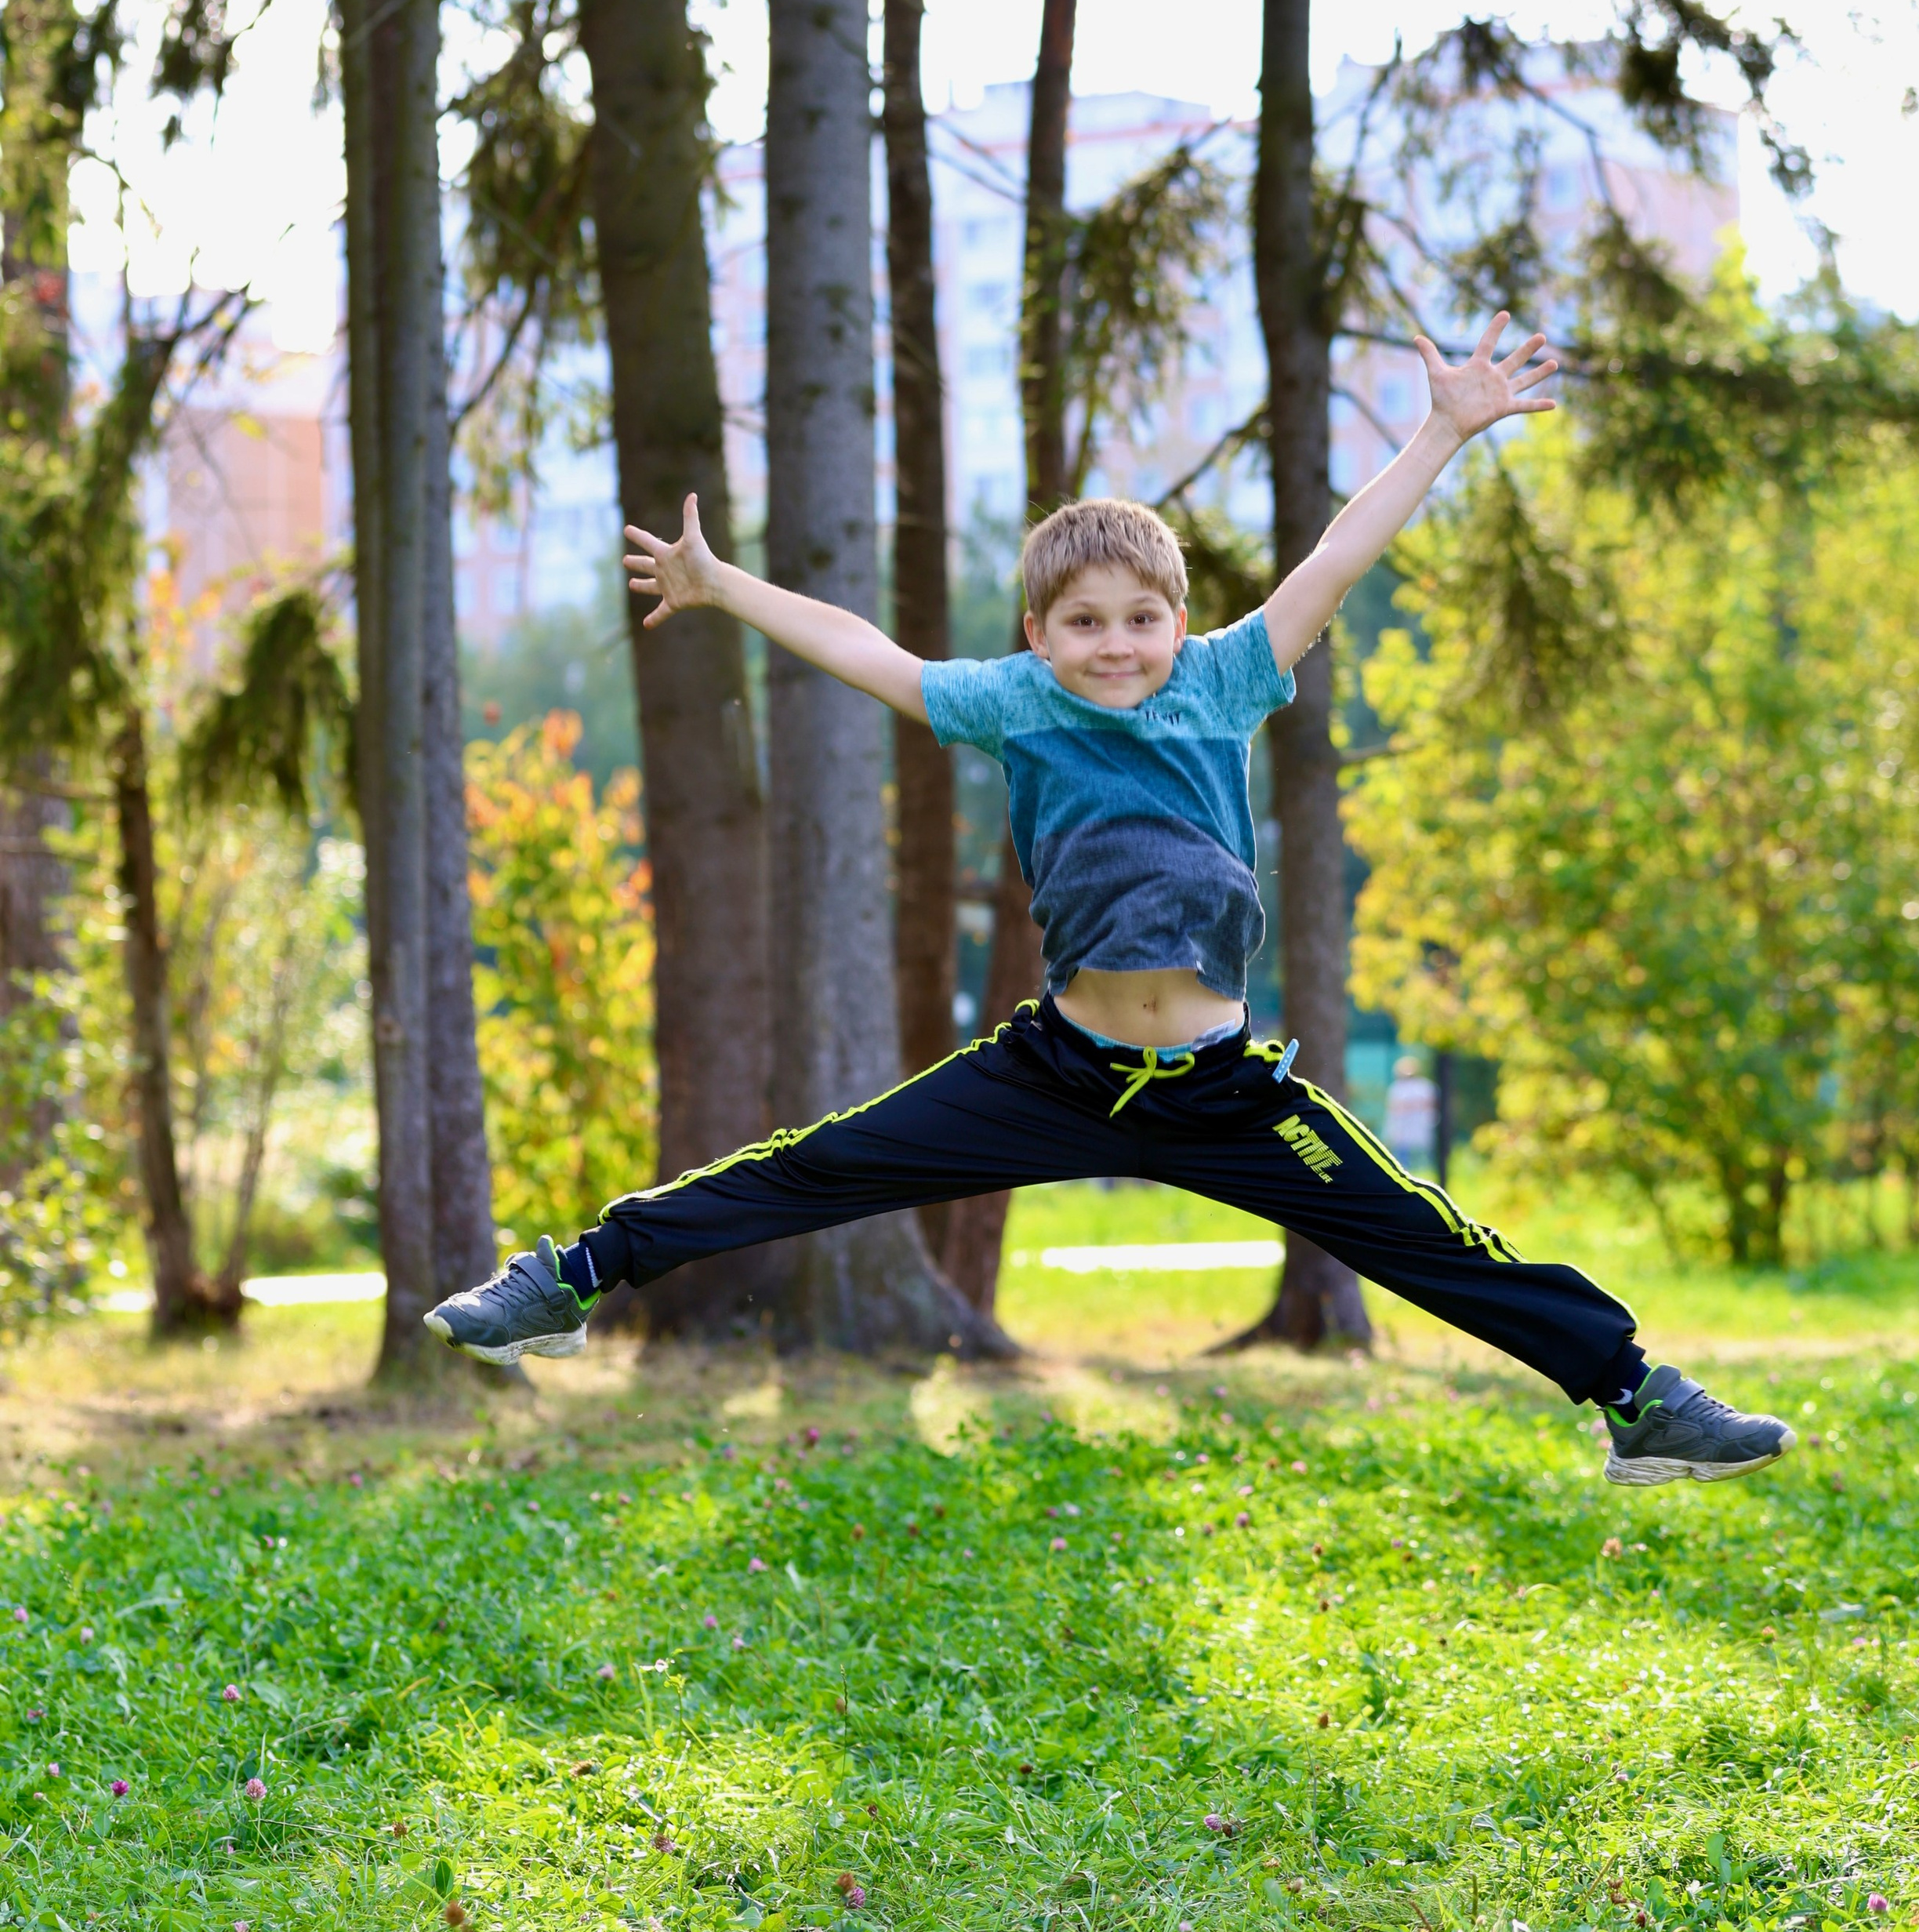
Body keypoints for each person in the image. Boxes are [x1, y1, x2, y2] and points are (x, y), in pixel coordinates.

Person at [428, 312, 1793, 1490]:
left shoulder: (1229, 675)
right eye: (1083, 622)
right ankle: (570, 1280)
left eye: (1141, 618)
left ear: (1178, 620)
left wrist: (1441, 435)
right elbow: (867, 651)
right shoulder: (1016, 704)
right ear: (1038, 635)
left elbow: (1337, 558)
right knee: (820, 1164)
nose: (1116, 644)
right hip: (1058, 1070)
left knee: (1428, 1237)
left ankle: (1636, 1401)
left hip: (1218, 1086)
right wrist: (726, 588)